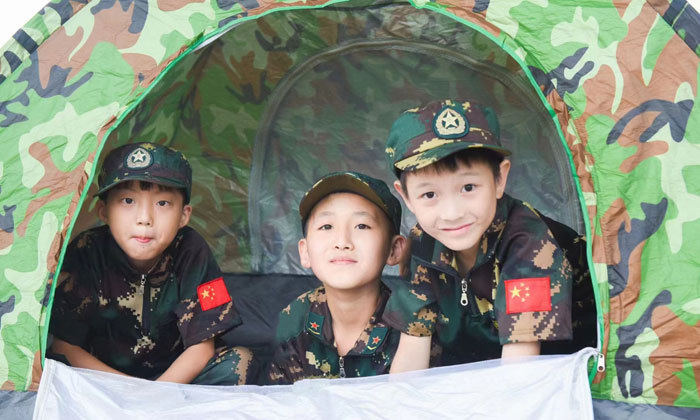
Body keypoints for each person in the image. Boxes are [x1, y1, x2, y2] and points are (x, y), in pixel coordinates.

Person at [383, 99, 596, 366]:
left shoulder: (529, 243)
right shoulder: (423, 242)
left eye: (468, 188)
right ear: (406, 197)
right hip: (482, 361)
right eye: (429, 194)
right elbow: (413, 349)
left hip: (559, 366)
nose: (452, 213)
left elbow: (520, 369)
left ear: (499, 179)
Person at [49, 142, 253, 385]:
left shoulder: (193, 250)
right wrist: (130, 390)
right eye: (128, 200)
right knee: (55, 366)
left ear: (184, 215)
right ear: (104, 212)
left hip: (174, 379)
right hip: (104, 379)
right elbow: (64, 346)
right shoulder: (88, 251)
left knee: (240, 361)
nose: (145, 218)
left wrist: (155, 394)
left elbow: (202, 346)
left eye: (162, 203)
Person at [265, 171, 412, 384]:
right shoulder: (293, 320)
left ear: (394, 249)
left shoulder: (410, 324)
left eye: (362, 226)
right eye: (326, 226)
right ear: (305, 252)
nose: (342, 242)